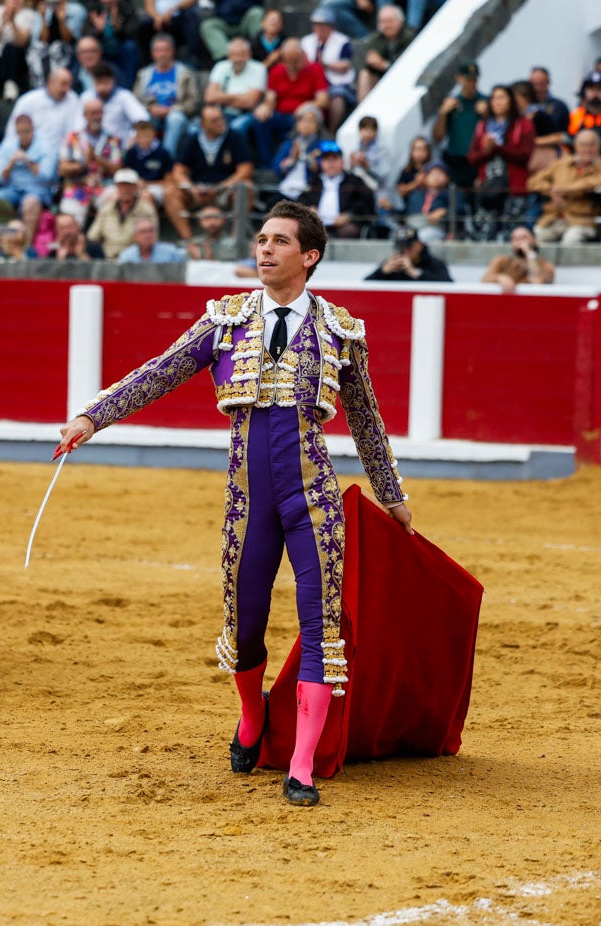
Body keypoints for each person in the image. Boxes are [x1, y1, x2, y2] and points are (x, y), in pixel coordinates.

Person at [57, 200, 412, 807]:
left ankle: (300, 766)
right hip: (248, 499)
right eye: (262, 240)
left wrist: (392, 495)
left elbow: (367, 420)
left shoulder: (340, 331)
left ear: (309, 257)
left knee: (321, 626)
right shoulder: (225, 321)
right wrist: (94, 416)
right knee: (245, 625)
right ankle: (253, 719)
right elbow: (160, 372)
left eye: (279, 242)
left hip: (313, 498)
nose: (264, 249)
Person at [164, 103, 253, 246]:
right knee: (170, 192)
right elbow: (178, 171)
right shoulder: (193, 140)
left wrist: (220, 187)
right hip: (198, 190)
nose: (220, 123)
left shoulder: (234, 137)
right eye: (214, 121)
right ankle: (189, 241)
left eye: (221, 118)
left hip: (224, 190)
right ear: (203, 124)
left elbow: (245, 170)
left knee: (246, 187)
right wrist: (191, 188)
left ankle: (236, 240)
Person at [466, 82, 535, 238]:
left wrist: (498, 148)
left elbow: (525, 155)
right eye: (494, 98)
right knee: (486, 232)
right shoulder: (483, 126)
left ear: (511, 100)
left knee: (510, 233)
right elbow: (472, 157)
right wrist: (487, 151)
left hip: (513, 189)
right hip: (488, 188)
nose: (498, 102)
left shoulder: (523, 124)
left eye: (502, 98)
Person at [528, 128, 601, 245]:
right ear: (575, 146)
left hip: (584, 221)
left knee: (571, 239)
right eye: (583, 145)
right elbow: (533, 182)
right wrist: (551, 191)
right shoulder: (561, 163)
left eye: (592, 145)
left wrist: (564, 189)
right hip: (553, 218)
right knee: (538, 237)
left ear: (599, 147)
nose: (587, 149)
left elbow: (600, 183)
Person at [253, 38, 327, 171]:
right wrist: (265, 107)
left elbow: (323, 100)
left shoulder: (315, 69)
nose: (292, 65)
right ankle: (268, 166)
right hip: (282, 116)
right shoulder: (277, 71)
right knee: (260, 121)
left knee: (305, 121)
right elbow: (271, 98)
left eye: (295, 61)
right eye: (289, 61)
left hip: (304, 116)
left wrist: (306, 107)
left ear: (303, 55)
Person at [133, 34, 199, 157]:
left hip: (177, 114)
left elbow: (193, 102)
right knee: (143, 118)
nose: (162, 54)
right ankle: (144, 159)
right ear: (153, 53)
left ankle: (167, 159)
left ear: (172, 52)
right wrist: (150, 108)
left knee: (175, 119)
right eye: (158, 50)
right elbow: (135, 101)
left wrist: (171, 110)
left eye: (166, 50)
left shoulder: (185, 73)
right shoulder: (143, 74)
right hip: (151, 113)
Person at [297, 139, 373, 239]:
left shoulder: (354, 181)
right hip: (317, 224)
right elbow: (301, 200)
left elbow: (366, 202)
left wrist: (349, 215)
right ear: (322, 163)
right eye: (327, 160)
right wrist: (310, 210)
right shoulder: (314, 181)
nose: (331, 163)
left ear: (342, 161)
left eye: (335, 159)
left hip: (344, 225)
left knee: (349, 231)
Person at [431, 61, 487, 191]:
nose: (472, 83)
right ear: (459, 78)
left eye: (474, 79)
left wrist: (487, 115)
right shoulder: (452, 104)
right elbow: (437, 137)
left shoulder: (485, 102)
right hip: (456, 161)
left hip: (478, 160)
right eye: (468, 79)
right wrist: (442, 114)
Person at [300, 8, 355, 129]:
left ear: (331, 27)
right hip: (312, 80)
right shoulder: (306, 41)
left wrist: (325, 64)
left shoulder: (342, 41)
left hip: (336, 82)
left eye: (322, 25)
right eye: (316, 25)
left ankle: (331, 131)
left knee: (337, 99)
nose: (319, 29)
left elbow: (345, 65)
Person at [87, 166, 156, 258]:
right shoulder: (107, 209)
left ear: (135, 187)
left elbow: (152, 239)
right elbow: (93, 236)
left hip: (135, 260)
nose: (125, 189)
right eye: (122, 185)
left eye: (129, 185)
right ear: (117, 187)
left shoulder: (146, 210)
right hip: (108, 259)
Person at [355, 5, 413, 103]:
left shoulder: (410, 38)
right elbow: (362, 63)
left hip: (404, 80)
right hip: (381, 78)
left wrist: (384, 65)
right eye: (382, 22)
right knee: (364, 75)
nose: (386, 25)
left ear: (401, 21)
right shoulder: (376, 39)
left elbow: (408, 67)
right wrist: (371, 61)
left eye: (390, 21)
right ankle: (364, 113)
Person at [481, 223, 555, 292]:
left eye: (524, 238)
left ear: (534, 240)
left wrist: (529, 254)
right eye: (515, 239)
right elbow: (484, 279)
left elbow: (537, 282)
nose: (520, 242)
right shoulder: (501, 261)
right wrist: (499, 277)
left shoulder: (546, 265)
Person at [365, 226, 451, 281]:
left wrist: (416, 273)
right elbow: (366, 284)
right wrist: (383, 272)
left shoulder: (434, 264)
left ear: (419, 246)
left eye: (407, 247)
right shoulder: (393, 265)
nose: (403, 252)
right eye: (400, 248)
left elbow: (448, 285)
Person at [117, 214, 184, 262]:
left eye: (150, 231)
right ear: (135, 236)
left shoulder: (171, 252)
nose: (148, 235)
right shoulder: (126, 256)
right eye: (143, 232)